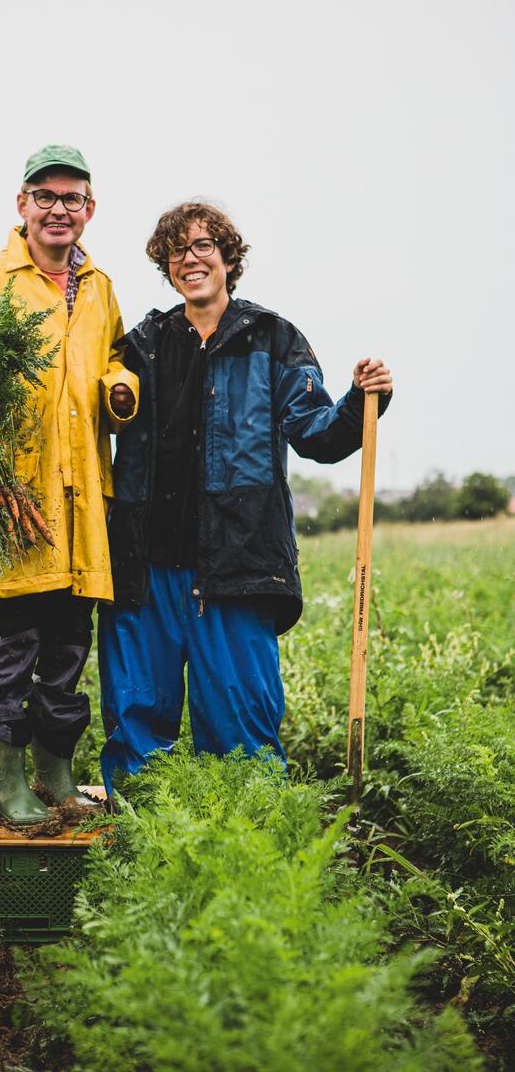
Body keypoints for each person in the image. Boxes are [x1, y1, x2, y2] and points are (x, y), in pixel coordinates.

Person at [99, 201, 393, 794]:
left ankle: (248, 852)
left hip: (235, 567)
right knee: (135, 729)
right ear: (165, 264)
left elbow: (317, 434)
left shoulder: (273, 339)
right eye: (177, 250)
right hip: (144, 571)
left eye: (204, 245)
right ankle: (139, 852)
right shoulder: (141, 345)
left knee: (242, 739)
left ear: (229, 259)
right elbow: (84, 415)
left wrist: (363, 400)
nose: (191, 258)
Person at [0, 144, 138, 822]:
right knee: (10, 652)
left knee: (67, 651)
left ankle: (56, 772)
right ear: (21, 204)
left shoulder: (102, 286)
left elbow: (112, 358)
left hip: (81, 507)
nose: (58, 209)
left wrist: (120, 385)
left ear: (90, 209)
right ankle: (7, 783)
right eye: (44, 196)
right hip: (11, 506)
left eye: (71, 197)